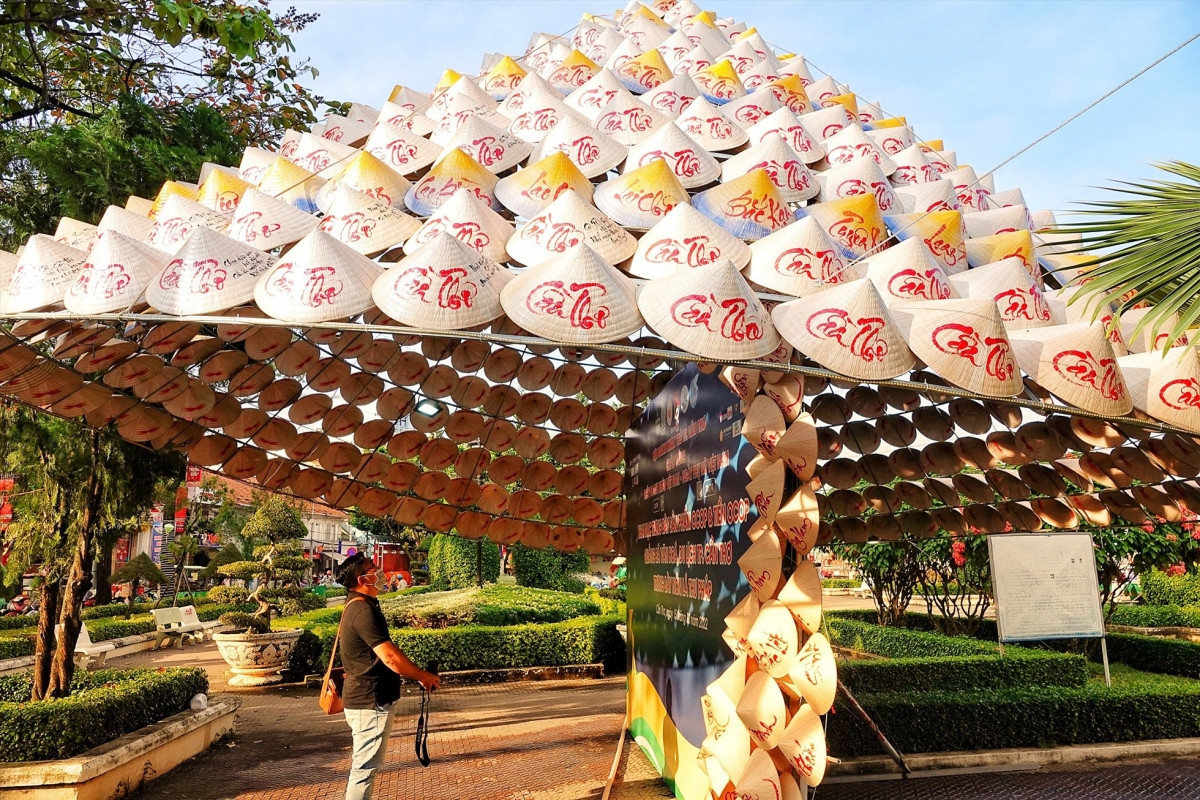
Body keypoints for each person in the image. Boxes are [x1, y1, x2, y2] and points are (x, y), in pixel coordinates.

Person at [334, 553, 439, 800]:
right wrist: (422, 676)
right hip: (370, 703)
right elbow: (390, 657)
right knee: (363, 770)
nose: (379, 570)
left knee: (365, 768)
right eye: (372, 567)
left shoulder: (361, 605)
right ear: (363, 578)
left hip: (367, 700)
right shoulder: (362, 610)